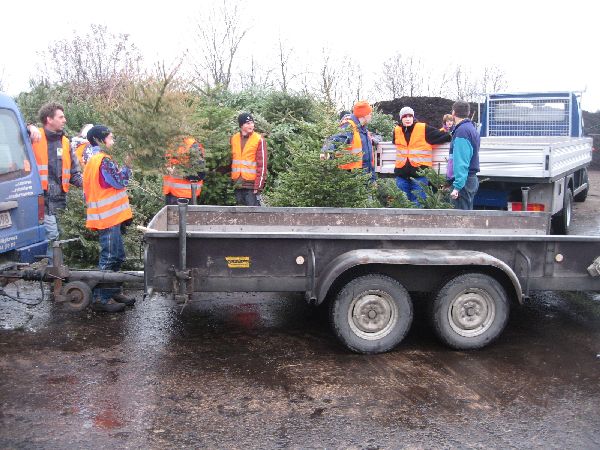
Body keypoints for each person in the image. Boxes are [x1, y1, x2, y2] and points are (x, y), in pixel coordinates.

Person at [83, 125, 134, 313]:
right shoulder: (102, 161)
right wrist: (128, 165)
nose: (114, 142)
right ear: (100, 140)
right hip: (108, 218)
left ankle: (112, 291)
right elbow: (120, 181)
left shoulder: (95, 160)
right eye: (111, 138)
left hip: (109, 217)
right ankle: (100, 299)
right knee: (110, 257)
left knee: (117, 256)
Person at [29, 103, 83, 262]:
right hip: (42, 199)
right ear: (49, 119)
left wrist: (88, 185)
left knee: (62, 237)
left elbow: (74, 173)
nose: (64, 120)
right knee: (53, 236)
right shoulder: (33, 136)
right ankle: (54, 275)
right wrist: (29, 126)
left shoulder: (66, 142)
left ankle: (56, 270)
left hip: (60, 199)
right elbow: (14, 130)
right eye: (61, 117)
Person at [393, 106, 451, 205]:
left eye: (410, 116)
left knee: (418, 205)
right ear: (401, 118)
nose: (407, 119)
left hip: (419, 176)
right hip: (401, 176)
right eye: (405, 116)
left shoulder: (423, 129)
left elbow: (443, 136)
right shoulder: (396, 131)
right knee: (401, 205)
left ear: (413, 117)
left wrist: (455, 133)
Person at [326, 101, 377, 183]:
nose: (371, 116)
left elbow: (368, 159)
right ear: (364, 115)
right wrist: (326, 151)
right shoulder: (348, 127)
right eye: (370, 113)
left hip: (366, 176)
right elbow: (334, 140)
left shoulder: (364, 130)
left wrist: (373, 179)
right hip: (353, 178)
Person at [448, 100, 480, 210]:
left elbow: (461, 161)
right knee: (466, 218)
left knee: (460, 220)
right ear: (468, 113)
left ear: (453, 113)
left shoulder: (462, 131)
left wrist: (457, 187)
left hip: (464, 183)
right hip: (469, 180)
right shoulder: (471, 129)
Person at [230, 113, 268, 206]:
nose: (251, 125)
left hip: (251, 186)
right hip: (237, 184)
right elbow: (230, 160)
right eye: (247, 123)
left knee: (253, 216)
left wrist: (258, 186)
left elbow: (262, 165)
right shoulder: (234, 138)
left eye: (252, 123)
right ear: (241, 125)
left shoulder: (259, 139)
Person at [163, 137, 206, 205]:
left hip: (186, 197)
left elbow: (200, 174)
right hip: (170, 194)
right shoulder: (170, 144)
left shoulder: (192, 146)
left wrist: (178, 172)